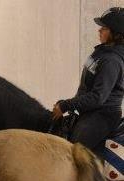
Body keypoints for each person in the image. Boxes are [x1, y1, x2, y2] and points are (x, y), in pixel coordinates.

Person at [52, 7, 124, 156]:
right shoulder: (102, 52)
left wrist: (66, 105)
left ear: (116, 34)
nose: (99, 31)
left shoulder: (112, 60)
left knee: (71, 153)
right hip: (90, 112)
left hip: (102, 115)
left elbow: (98, 97)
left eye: (104, 28)